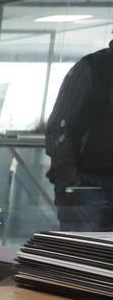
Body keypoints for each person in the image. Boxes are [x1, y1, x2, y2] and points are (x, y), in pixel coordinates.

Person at [45, 38, 113, 232]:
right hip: (87, 188)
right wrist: (71, 182)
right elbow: (59, 126)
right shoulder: (93, 67)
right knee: (79, 257)